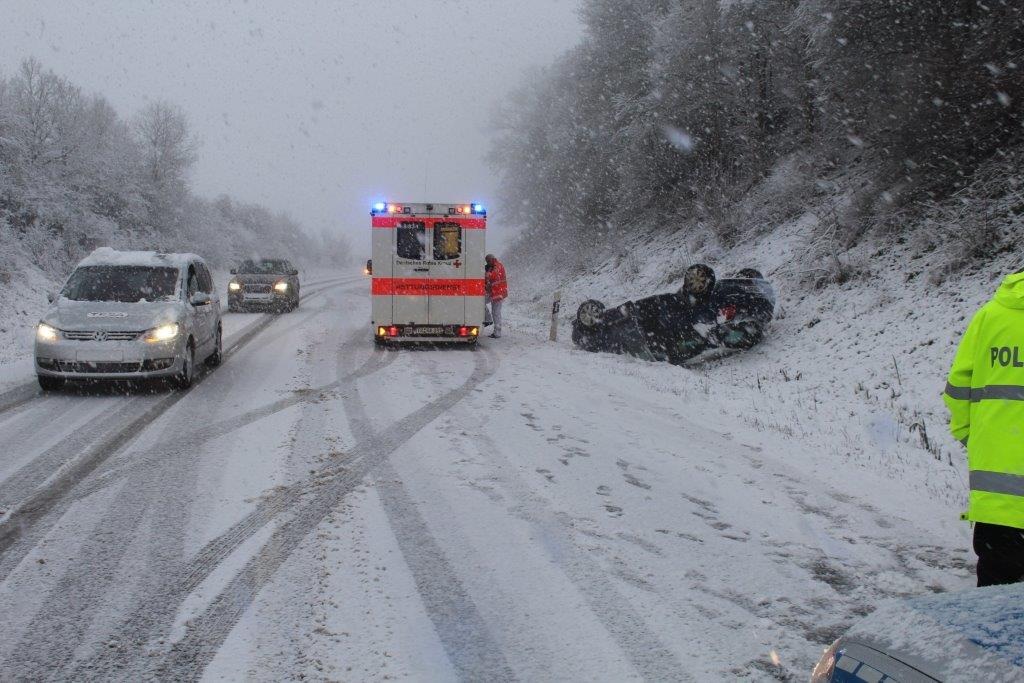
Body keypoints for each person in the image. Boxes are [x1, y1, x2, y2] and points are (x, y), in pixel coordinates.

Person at [944, 268, 1024, 587]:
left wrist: (972, 438)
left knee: (993, 612)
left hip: (998, 505)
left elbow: (957, 388)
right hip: (998, 504)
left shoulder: (990, 316)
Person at [485, 254, 508, 338]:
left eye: (488, 261)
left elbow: (494, 275)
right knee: (479, 301)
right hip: (493, 293)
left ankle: (497, 332)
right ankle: (488, 319)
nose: (487, 263)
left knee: (496, 313)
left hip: (498, 293)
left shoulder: (498, 265)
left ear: (492, 259)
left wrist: (486, 274)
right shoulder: (491, 267)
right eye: (486, 261)